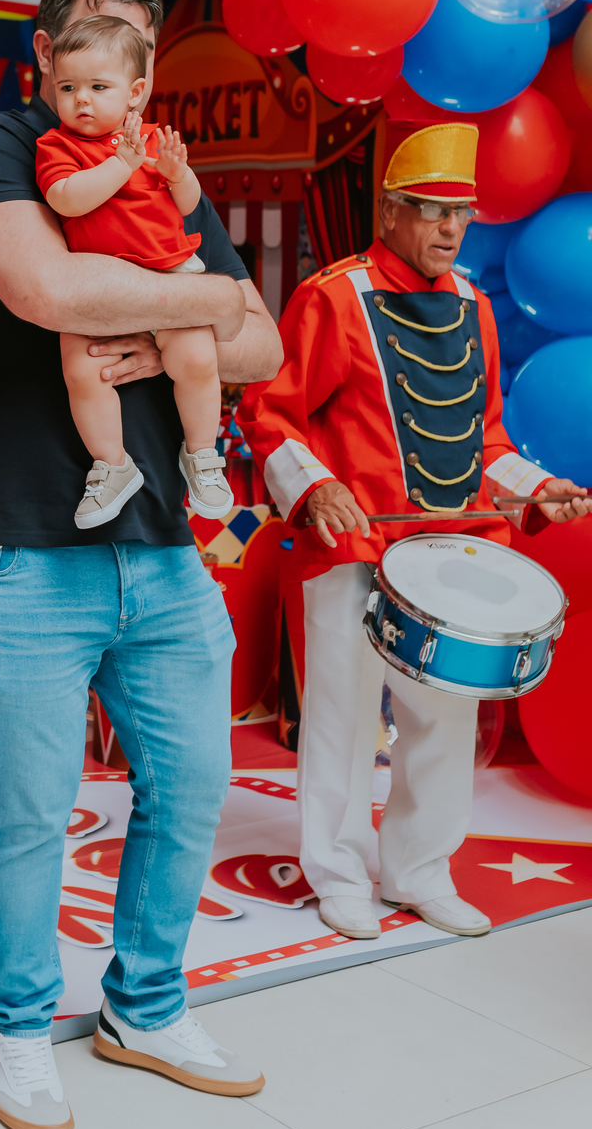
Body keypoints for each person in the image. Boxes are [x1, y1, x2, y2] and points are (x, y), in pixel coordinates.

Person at [0, 0, 283, 1129]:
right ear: (46, 55)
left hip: (167, 545)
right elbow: (47, 291)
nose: (108, 74)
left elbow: (261, 346)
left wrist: (188, 315)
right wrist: (185, 308)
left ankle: (146, 1004)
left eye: (132, 47)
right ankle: (21, 1027)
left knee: (192, 785)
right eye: (87, 43)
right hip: (17, 542)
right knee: (31, 805)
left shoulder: (164, 170)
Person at [238, 123, 591, 943]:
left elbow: (486, 440)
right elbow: (269, 412)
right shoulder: (334, 294)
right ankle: (335, 870)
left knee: (446, 714)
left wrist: (538, 489)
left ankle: (419, 868)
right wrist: (316, 486)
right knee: (342, 714)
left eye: (460, 215)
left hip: (448, 552)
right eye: (432, 211)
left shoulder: (473, 304)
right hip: (352, 548)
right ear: (391, 210)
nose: (448, 230)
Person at [35, 12, 227, 528]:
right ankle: (112, 464)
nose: (82, 100)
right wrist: (121, 164)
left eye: (99, 87)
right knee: (83, 371)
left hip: (170, 276)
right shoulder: (57, 146)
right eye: (69, 86)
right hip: (98, 289)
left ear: (135, 91)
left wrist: (178, 173)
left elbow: (188, 206)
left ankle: (203, 454)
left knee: (196, 359)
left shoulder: (150, 140)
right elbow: (67, 199)